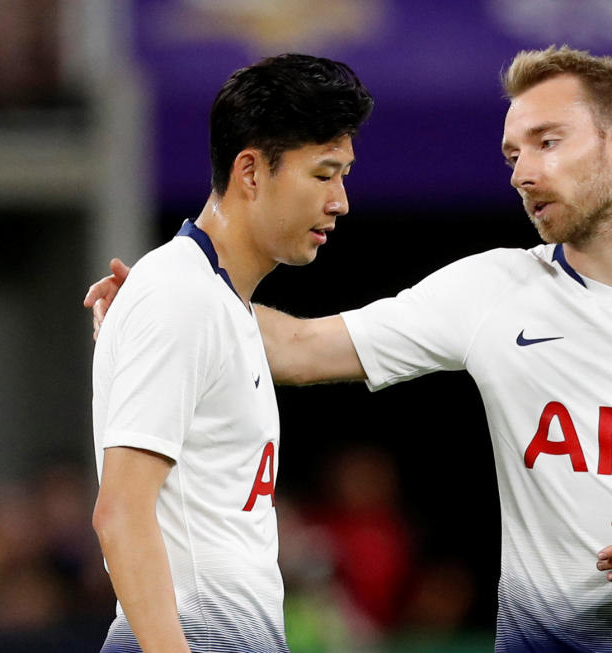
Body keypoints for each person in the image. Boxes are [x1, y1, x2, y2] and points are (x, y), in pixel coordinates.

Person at [86, 46, 612, 652]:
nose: (523, 171)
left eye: (547, 142)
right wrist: (171, 307)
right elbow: (300, 346)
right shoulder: (491, 290)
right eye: (512, 152)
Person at [87, 53, 372, 652]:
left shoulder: (214, 302)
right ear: (250, 171)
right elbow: (120, 515)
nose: (341, 200)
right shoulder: (179, 295)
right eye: (324, 174)